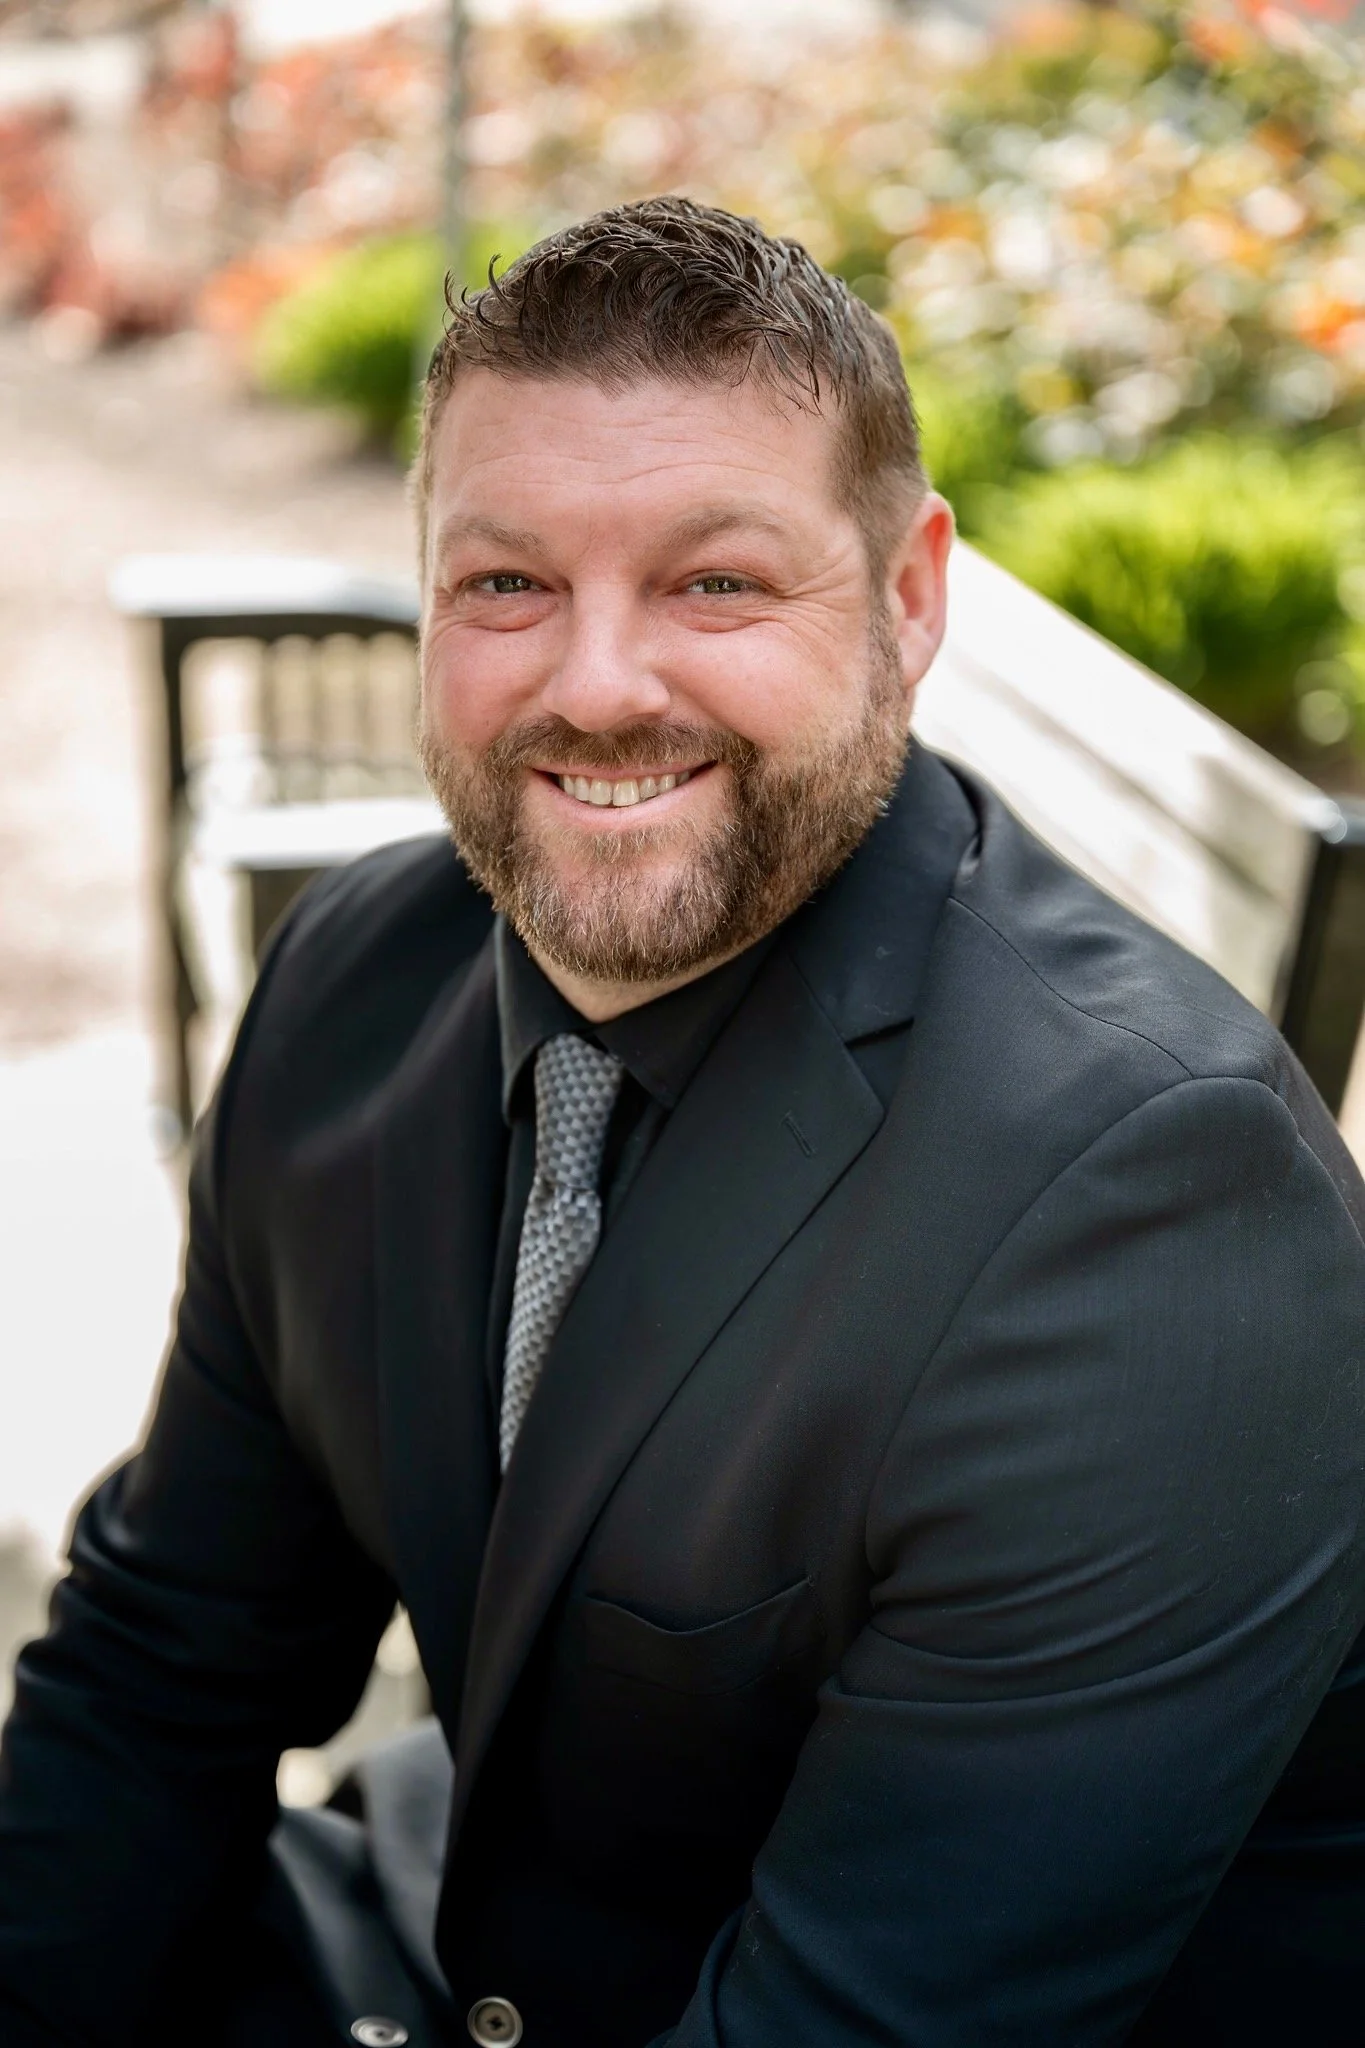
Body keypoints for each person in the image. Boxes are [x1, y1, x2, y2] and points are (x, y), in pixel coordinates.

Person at [1, 196, 1364, 2048]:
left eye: (716, 582)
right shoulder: (356, 981)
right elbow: (166, 1671)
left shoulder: (1156, 1206)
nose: (596, 684)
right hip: (441, 1942)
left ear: (908, 596)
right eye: (507, 585)